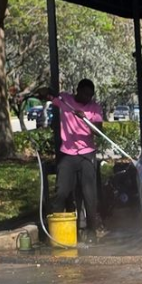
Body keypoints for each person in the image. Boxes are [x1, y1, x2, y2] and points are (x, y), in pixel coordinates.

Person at [50, 79, 106, 239]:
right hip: (68, 154)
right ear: (78, 90)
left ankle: (91, 231)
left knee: (89, 194)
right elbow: (46, 95)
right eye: (85, 94)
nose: (87, 97)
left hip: (87, 154)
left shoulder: (94, 109)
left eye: (90, 95)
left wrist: (86, 120)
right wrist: (47, 92)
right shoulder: (65, 100)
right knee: (61, 191)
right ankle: (57, 229)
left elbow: (98, 131)